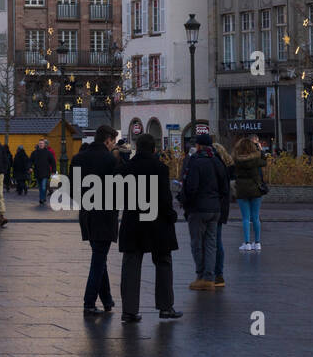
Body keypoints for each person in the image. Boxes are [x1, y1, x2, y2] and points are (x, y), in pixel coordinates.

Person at [117, 135, 182, 322]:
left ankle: (129, 310)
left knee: (131, 264)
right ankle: (165, 306)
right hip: (157, 222)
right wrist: (171, 215)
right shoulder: (159, 168)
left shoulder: (126, 168)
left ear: (137, 148)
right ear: (154, 149)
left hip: (133, 222)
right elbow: (164, 197)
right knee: (163, 262)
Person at [71, 124, 121, 314]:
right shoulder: (110, 160)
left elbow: (73, 189)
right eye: (113, 142)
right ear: (107, 139)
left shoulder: (78, 158)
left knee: (100, 257)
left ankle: (107, 300)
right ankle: (89, 302)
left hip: (87, 214)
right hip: (105, 214)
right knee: (99, 258)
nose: (113, 146)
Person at [182, 134, 229, 290]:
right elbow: (225, 188)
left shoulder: (196, 162)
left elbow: (191, 187)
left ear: (200, 146)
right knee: (211, 244)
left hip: (198, 209)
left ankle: (201, 275)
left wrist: (186, 203)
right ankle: (210, 277)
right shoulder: (218, 161)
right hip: (215, 209)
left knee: (197, 243)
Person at [232, 135, 267, 251]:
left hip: (241, 189)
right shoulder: (256, 159)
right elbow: (264, 161)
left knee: (245, 218)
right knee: (256, 217)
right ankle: (257, 242)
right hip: (255, 189)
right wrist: (259, 149)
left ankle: (246, 243)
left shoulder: (236, 160)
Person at [30, 140, 56, 206]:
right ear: (38, 144)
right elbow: (30, 160)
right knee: (40, 187)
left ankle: (42, 199)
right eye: (40, 143)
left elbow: (53, 162)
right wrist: (30, 167)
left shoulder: (48, 153)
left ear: (44, 145)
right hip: (37, 172)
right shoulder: (35, 152)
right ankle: (43, 198)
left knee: (44, 186)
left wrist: (53, 171)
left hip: (45, 172)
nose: (41, 144)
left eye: (42, 143)